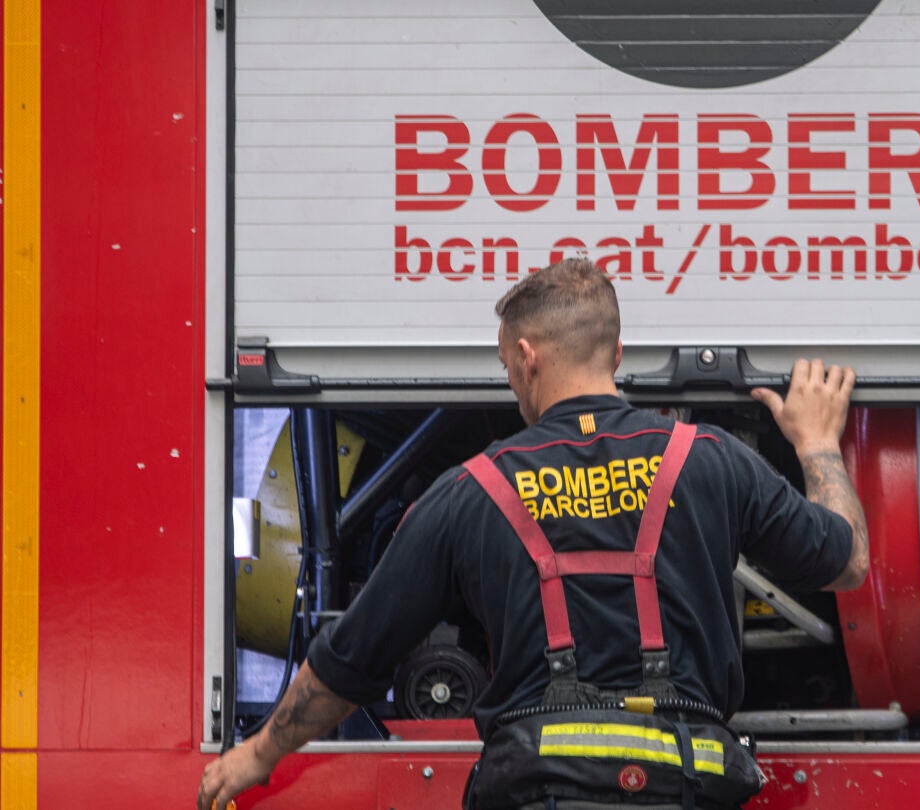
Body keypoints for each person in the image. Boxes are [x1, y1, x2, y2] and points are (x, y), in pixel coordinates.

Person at [198, 258, 869, 810]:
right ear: (616, 353)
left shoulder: (469, 493)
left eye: (503, 365)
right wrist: (817, 444)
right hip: (687, 787)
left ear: (526, 357)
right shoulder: (710, 460)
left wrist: (258, 754)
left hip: (536, 790)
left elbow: (353, 658)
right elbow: (847, 562)